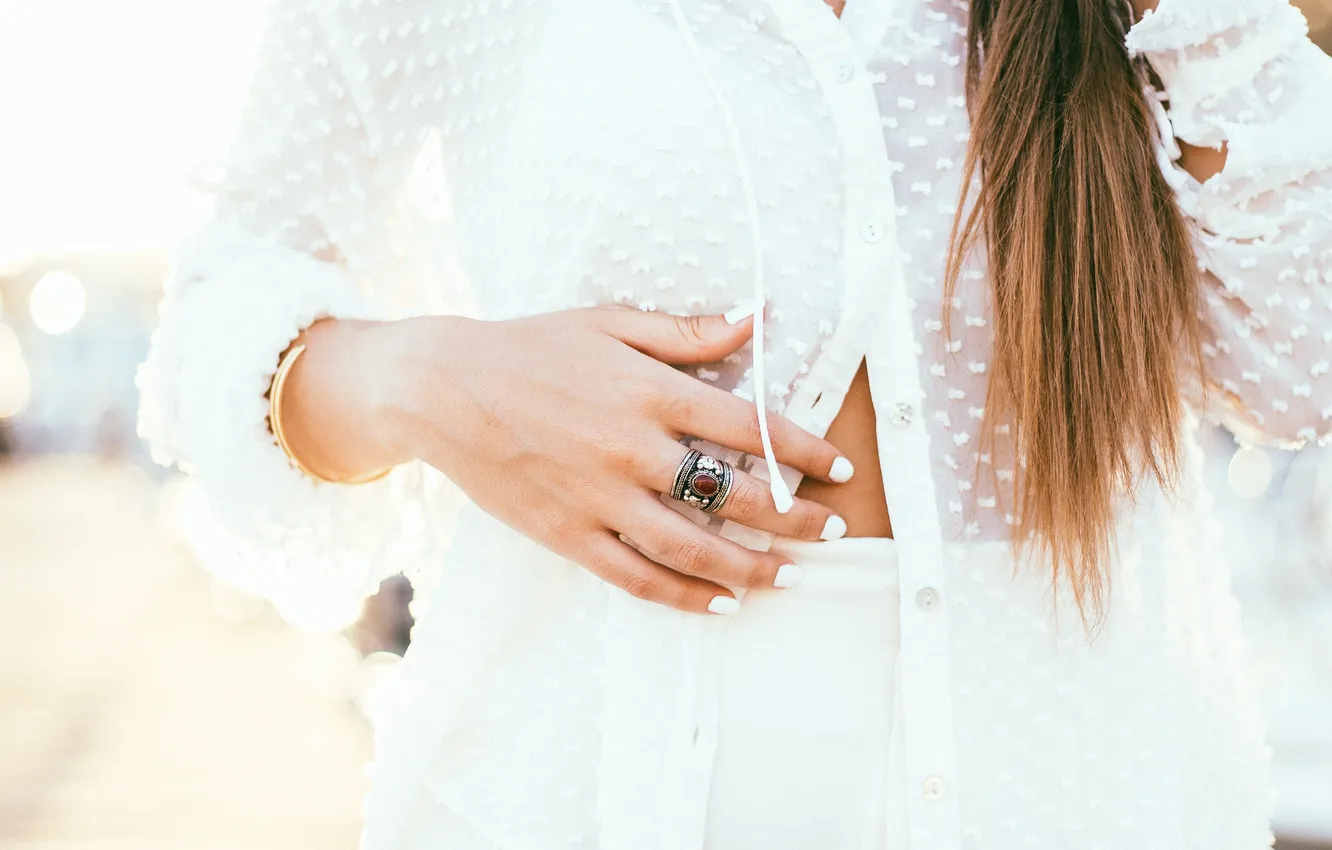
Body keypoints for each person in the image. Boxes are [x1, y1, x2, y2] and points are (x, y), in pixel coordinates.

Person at [137, 0, 1332, 847]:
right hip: (582, 786)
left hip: (1074, 789)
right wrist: (438, 381)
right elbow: (218, 316)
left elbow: (1305, 360)